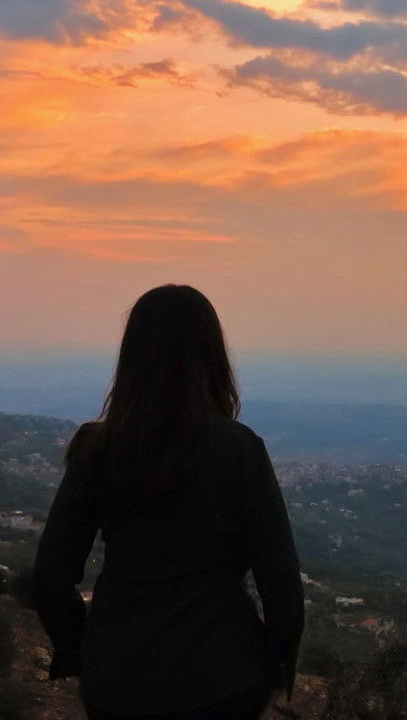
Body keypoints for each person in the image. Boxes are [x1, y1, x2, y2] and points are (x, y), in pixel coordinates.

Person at [33, 284, 304, 720]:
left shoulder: (97, 449)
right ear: (212, 357)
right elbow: (280, 579)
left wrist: (78, 651)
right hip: (223, 678)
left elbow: (50, 574)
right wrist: (277, 668)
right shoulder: (238, 450)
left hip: (118, 681)